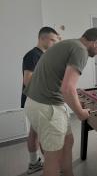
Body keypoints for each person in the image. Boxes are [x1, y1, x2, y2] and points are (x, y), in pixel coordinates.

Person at [24, 28, 97, 176]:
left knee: (68, 141)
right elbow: (68, 89)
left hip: (37, 103)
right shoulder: (81, 50)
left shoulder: (69, 44)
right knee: (53, 157)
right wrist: (81, 113)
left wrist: (75, 95)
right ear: (95, 43)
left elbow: (62, 80)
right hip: (48, 107)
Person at [21, 27, 59, 174]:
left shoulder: (42, 55)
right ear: (42, 38)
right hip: (36, 101)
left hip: (35, 100)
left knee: (35, 132)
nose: (55, 43)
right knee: (45, 135)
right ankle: (52, 167)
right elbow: (27, 80)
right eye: (52, 40)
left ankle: (33, 163)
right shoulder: (33, 55)